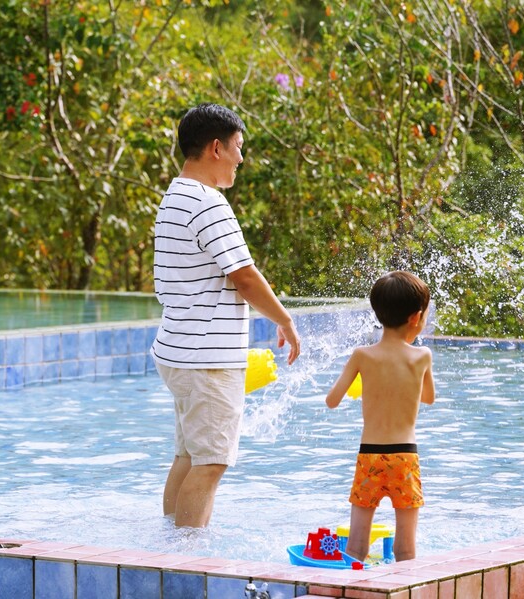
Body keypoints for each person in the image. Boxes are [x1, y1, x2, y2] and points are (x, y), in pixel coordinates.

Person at [151, 103, 301, 528]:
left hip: (179, 351)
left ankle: (168, 547)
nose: (241, 158)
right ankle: (188, 563)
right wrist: (285, 320)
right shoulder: (208, 202)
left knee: (189, 456)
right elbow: (244, 276)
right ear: (216, 148)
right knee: (211, 464)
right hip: (207, 359)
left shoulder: (174, 195)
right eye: (238, 148)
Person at [325, 271, 435, 562]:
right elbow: (428, 398)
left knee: (357, 546)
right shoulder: (422, 356)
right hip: (404, 458)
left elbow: (331, 400)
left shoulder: (362, 355)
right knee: (406, 550)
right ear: (416, 317)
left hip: (370, 457)